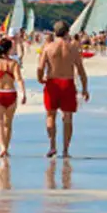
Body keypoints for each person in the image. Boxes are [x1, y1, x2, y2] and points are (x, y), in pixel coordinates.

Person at [38, 21, 89, 158]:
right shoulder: (72, 48)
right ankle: (65, 150)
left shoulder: (48, 48)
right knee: (67, 118)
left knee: (50, 115)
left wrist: (40, 79)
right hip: (68, 83)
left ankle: (52, 146)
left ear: (54, 32)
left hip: (52, 82)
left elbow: (40, 67)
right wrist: (85, 88)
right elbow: (81, 70)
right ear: (67, 32)